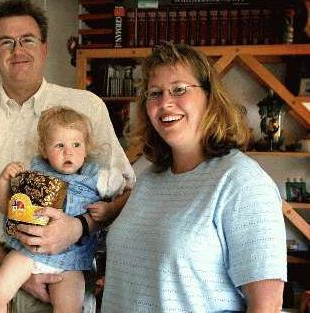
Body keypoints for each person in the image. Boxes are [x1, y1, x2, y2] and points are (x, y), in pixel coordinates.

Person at [0, 1, 135, 312]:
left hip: (67, 277)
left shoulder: (87, 106)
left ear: (44, 48)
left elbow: (125, 192)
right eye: (6, 42)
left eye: (28, 39)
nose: (18, 49)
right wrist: (16, 265)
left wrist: (80, 226)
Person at [101, 42, 287, 312]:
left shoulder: (242, 181)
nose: (165, 103)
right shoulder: (150, 178)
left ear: (210, 96)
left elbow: (266, 306)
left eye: (179, 89)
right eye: (154, 93)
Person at [0, 107, 124, 313]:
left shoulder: (99, 178)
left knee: (69, 308)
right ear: (45, 150)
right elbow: (7, 208)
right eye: (60, 145)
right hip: (28, 252)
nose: (69, 152)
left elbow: (129, 193)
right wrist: (4, 180)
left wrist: (110, 208)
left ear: (86, 148)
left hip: (71, 262)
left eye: (76, 144)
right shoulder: (32, 172)